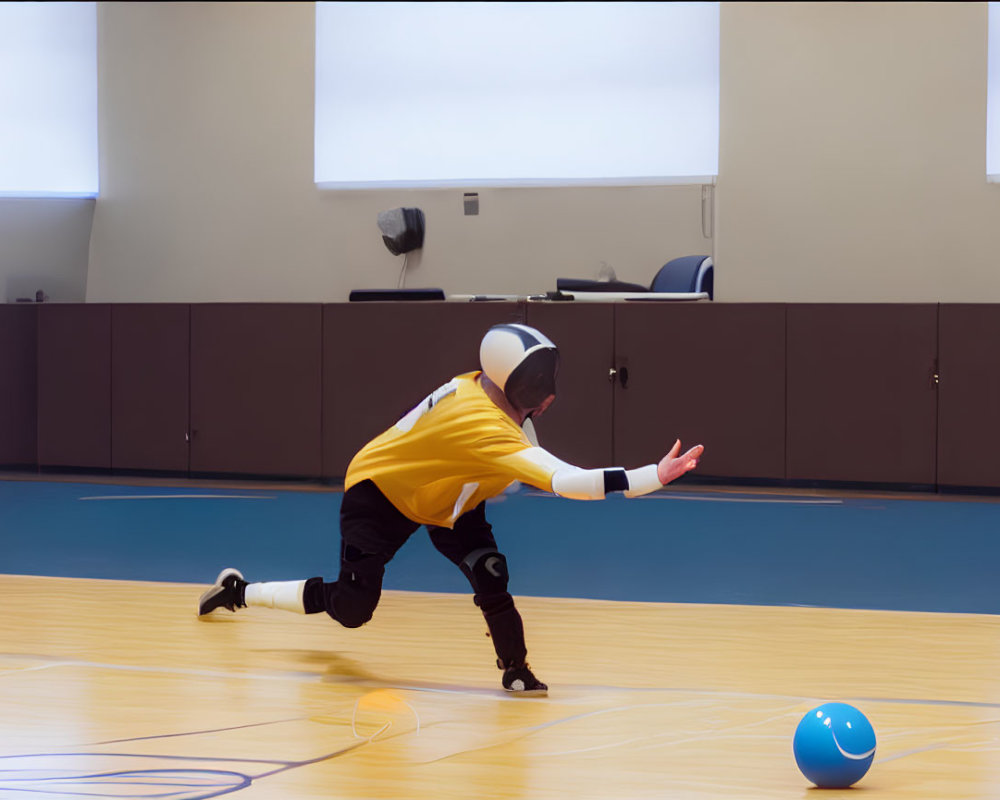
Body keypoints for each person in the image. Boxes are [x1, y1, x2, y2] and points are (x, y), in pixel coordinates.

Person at [198, 323, 704, 694]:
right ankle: (240, 591)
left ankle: (516, 670)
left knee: (491, 572)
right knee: (353, 610)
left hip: (448, 494)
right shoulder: (479, 423)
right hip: (380, 493)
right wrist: (651, 477)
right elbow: (568, 481)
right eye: (537, 380)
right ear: (516, 384)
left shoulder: (484, 390)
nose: (547, 391)